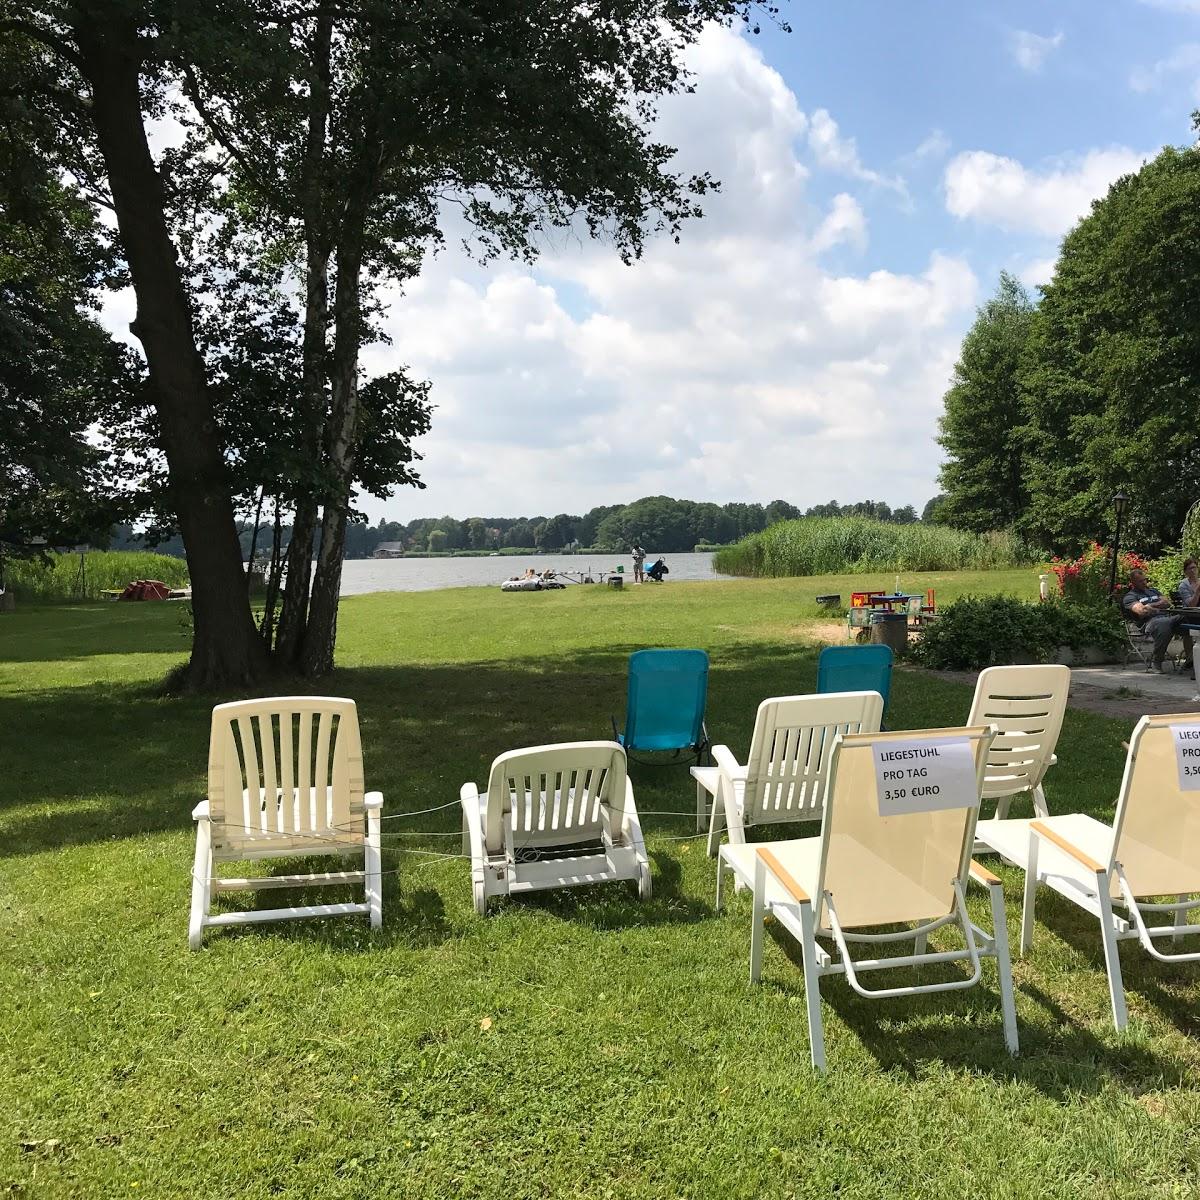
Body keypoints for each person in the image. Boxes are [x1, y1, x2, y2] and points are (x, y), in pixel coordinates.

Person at [1123, 567, 1191, 672]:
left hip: (1167, 618)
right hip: (1149, 623)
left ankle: (1191, 659)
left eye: (1145, 580)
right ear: (1133, 582)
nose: (1144, 582)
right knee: (1164, 623)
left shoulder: (1153, 591)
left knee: (1189, 617)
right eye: (1140, 581)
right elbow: (1142, 611)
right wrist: (1158, 605)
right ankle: (1157, 659)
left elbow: (1167, 603)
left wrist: (1150, 606)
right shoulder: (1130, 597)